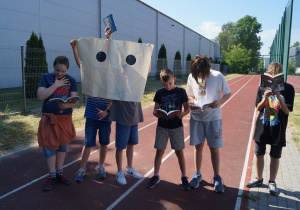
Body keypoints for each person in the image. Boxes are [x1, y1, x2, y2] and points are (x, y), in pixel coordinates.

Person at [70, 28, 112, 182]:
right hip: (91, 114)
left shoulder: (111, 75)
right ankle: (82, 168)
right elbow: (81, 64)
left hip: (106, 116)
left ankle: (101, 166)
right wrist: (74, 48)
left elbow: (115, 96)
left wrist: (107, 111)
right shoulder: (91, 73)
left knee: (104, 142)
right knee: (88, 143)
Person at [246, 63, 295, 196]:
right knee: (259, 153)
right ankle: (258, 178)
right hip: (263, 126)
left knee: (275, 155)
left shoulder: (289, 89)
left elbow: (286, 111)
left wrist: (279, 97)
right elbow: (258, 108)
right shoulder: (262, 88)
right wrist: (265, 97)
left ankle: (272, 181)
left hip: (278, 128)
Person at [186, 55, 231, 193]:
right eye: (196, 73)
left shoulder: (217, 76)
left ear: (207, 68)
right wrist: (191, 103)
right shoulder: (191, 76)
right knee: (198, 147)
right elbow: (191, 95)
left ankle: (217, 177)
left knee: (214, 148)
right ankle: (197, 174)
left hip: (213, 118)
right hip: (197, 117)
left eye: (201, 73)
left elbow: (227, 94)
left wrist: (218, 102)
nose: (199, 75)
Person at [37, 55, 78, 191]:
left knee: (62, 147)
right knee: (49, 148)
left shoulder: (71, 80)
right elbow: (40, 96)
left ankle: (60, 172)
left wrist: (64, 106)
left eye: (63, 71)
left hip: (65, 119)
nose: (60, 73)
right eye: (57, 70)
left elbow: (74, 101)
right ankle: (52, 175)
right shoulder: (46, 77)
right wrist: (56, 85)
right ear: (53, 66)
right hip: (49, 119)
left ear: (67, 69)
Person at [146, 68, 190, 190]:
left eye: (170, 83)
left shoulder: (181, 91)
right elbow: (155, 110)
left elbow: (187, 109)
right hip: (162, 127)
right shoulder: (160, 93)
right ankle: (156, 175)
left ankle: (184, 176)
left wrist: (183, 114)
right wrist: (157, 113)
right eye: (165, 84)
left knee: (179, 152)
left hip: (177, 127)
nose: (168, 86)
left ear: (174, 79)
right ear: (161, 82)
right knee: (159, 151)